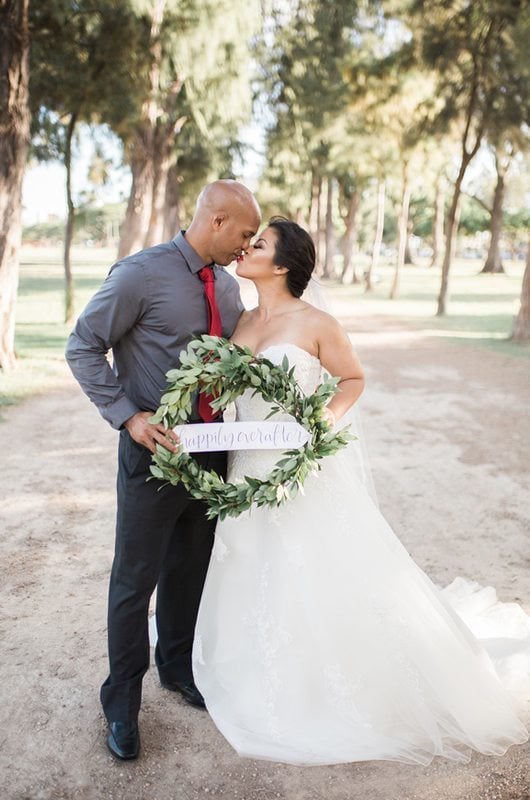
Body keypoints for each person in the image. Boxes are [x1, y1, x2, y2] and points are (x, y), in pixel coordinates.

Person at [192, 218, 530, 766]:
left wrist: (320, 427)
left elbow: (351, 379)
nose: (246, 249)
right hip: (247, 468)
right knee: (250, 559)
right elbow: (230, 391)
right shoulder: (245, 321)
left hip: (297, 466)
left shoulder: (318, 322)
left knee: (308, 566)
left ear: (281, 265)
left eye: (258, 245)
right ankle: (252, 665)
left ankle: (323, 682)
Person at [65, 180, 261, 760]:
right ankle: (121, 702)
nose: (246, 247)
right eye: (245, 234)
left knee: (190, 568)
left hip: (212, 452)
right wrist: (128, 418)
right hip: (152, 456)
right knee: (134, 581)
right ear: (218, 220)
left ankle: (177, 668)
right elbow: (82, 346)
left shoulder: (228, 290)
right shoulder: (139, 275)